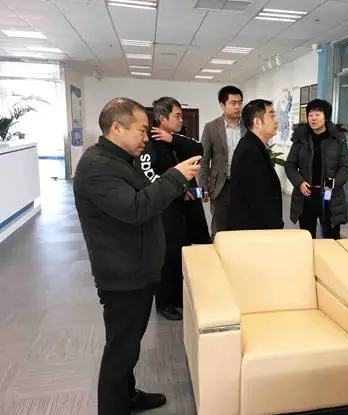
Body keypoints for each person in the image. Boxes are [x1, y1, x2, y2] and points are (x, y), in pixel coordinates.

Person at [73, 97, 201, 415]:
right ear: (117, 127)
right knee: (120, 350)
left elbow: (147, 195)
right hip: (122, 275)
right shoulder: (98, 166)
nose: (146, 137)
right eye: (141, 130)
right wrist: (175, 176)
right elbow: (136, 208)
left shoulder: (122, 160)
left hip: (137, 268)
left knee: (129, 345)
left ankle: (127, 395)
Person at [136, 96, 209, 321]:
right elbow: (149, 176)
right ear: (162, 117)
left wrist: (173, 138)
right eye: (176, 116)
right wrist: (177, 189)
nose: (180, 119)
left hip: (185, 208)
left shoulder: (176, 138)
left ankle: (178, 297)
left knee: (182, 252)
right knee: (167, 256)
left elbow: (198, 150)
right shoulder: (149, 143)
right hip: (166, 209)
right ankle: (164, 303)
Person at [285, 99, 348, 239]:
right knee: (307, 237)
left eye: (317, 114)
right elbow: (290, 165)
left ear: (326, 116)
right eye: (310, 115)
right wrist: (299, 182)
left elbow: (345, 166)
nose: (313, 118)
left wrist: (334, 183)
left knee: (331, 238)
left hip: (330, 196)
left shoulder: (337, 138)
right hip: (306, 196)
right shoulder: (301, 138)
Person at [228, 99, 284, 231]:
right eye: (271, 115)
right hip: (253, 229)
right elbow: (258, 198)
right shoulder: (250, 151)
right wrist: (276, 225)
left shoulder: (254, 145)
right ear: (257, 122)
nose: (276, 120)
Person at [198, 85, 245, 237]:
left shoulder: (248, 126)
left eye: (240, 103)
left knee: (242, 225)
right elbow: (204, 160)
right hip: (220, 186)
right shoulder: (211, 127)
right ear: (222, 105)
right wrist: (203, 187)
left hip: (244, 185)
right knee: (220, 227)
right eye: (233, 103)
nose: (237, 107)